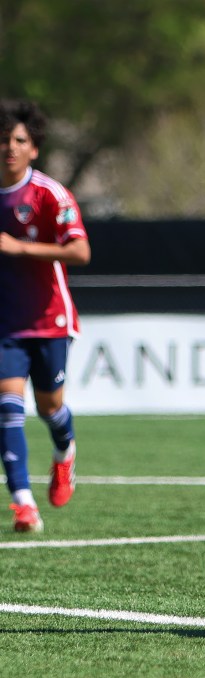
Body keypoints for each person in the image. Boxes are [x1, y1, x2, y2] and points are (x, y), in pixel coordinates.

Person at [0, 100, 89, 532]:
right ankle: (23, 504)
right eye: (3, 140)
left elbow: (80, 251)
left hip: (50, 318)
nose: (9, 148)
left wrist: (20, 248)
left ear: (34, 148)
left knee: (50, 408)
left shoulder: (49, 194)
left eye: (19, 140)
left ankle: (64, 452)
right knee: (7, 407)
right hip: (5, 324)